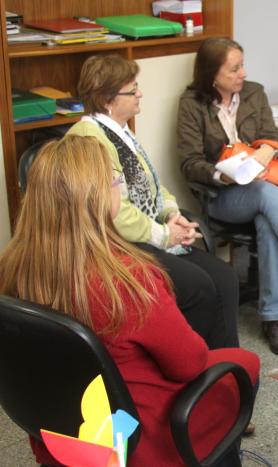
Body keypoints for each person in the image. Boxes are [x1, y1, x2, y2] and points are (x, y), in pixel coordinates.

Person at [0, 135, 260, 466]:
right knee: (244, 362)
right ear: (95, 199)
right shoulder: (127, 279)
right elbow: (190, 363)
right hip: (139, 436)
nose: (118, 188)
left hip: (63, 429)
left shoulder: (11, 269)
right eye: (114, 181)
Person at [176, 37, 278, 356]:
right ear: (213, 74)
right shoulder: (192, 104)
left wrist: (265, 152)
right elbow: (188, 162)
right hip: (224, 196)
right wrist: (222, 174)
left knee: (268, 219)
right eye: (234, 68)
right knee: (268, 196)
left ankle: (271, 318)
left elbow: (274, 137)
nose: (243, 73)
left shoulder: (254, 92)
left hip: (262, 187)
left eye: (242, 65)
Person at [68, 54, 239, 350]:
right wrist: (164, 234)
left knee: (224, 278)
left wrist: (173, 215)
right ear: (108, 98)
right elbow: (115, 212)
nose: (140, 93)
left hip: (147, 236)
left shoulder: (122, 132)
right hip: (120, 246)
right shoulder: (89, 139)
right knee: (199, 287)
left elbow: (155, 186)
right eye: (133, 89)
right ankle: (193, 370)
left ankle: (227, 368)